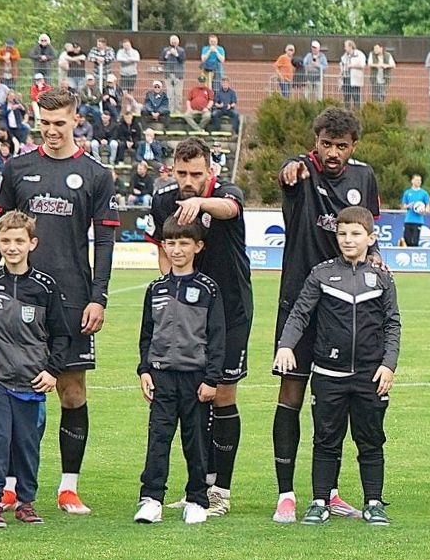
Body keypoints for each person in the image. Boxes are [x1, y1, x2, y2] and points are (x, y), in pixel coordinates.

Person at [0, 87, 119, 515]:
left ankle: (68, 486)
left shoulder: (96, 174)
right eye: (44, 123)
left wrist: (98, 296)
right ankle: (10, 486)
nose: (52, 130)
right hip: (18, 298)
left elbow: (105, 241)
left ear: (76, 120)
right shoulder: (18, 168)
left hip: (73, 299)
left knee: (71, 392)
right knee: (13, 390)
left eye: (60, 123)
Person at [270, 107, 381, 522]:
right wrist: (290, 169)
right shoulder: (301, 171)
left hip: (345, 308)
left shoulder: (364, 177)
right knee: (291, 394)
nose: (332, 153)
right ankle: (285, 494)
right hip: (300, 302)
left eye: (341, 146)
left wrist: (376, 258)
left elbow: (369, 231)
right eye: (326, 144)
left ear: (354, 146)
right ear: (315, 142)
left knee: (333, 402)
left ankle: (328, 492)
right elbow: (288, 171)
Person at [274, 207, 399, 526]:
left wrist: (388, 365)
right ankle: (320, 501)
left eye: (356, 233)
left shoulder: (382, 277)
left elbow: (392, 324)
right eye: (342, 233)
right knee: (326, 440)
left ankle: (374, 502)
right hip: (328, 374)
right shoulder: (321, 274)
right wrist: (286, 345)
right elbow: (300, 313)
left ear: (371, 238)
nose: (348, 239)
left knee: (371, 440)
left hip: (370, 375)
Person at [148, 139, 254, 516]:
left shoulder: (224, 193)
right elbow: (163, 250)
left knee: (222, 394)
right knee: (194, 398)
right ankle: (199, 487)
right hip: (187, 316)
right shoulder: (163, 200)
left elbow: (230, 208)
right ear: (172, 170)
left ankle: (221, 490)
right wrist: (172, 293)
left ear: (210, 171)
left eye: (196, 174)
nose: (189, 181)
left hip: (230, 310)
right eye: (182, 173)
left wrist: (201, 203)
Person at [0, 211, 71, 527]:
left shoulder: (45, 286)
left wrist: (52, 371)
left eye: (19, 240)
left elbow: (62, 335)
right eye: (6, 241)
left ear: (32, 243)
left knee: (26, 443)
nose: (12, 247)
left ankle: (26, 502)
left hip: (32, 379)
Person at [133, 218, 229, 526]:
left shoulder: (208, 289)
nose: (177, 249)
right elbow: (146, 334)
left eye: (184, 243)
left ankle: (197, 499)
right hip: (162, 377)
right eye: (171, 243)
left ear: (197, 247)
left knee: (196, 443)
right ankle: (151, 499)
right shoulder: (156, 289)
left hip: (196, 379)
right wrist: (144, 370)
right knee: (158, 439)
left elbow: (217, 337)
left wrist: (211, 379)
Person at [400, 174, 430, 247]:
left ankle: (414, 252)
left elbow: (427, 207)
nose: (418, 182)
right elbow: (403, 206)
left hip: (418, 221)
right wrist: (408, 206)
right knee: (407, 240)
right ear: (412, 181)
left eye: (420, 180)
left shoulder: (424, 193)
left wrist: (424, 211)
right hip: (408, 220)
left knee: (415, 241)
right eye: (417, 180)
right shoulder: (407, 192)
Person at [338, 40, 367, 108]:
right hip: (346, 79)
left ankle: (356, 112)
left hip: (355, 79)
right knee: (346, 98)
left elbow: (362, 65)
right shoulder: (344, 56)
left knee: (356, 98)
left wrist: (352, 66)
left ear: (350, 46)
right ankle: (346, 112)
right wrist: (340, 79)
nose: (344, 48)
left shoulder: (359, 54)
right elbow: (342, 67)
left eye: (346, 46)